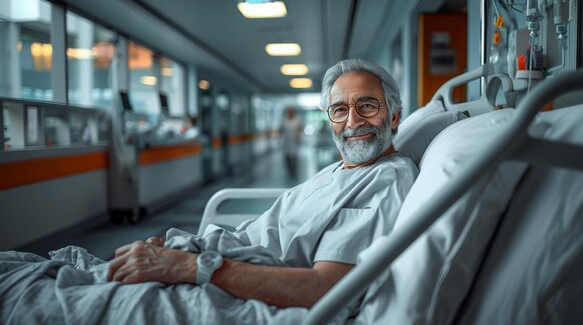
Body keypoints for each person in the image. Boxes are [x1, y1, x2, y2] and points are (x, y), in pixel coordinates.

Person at [0, 59, 418, 319]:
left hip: (223, 281)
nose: (352, 121)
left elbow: (329, 289)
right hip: (215, 258)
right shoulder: (338, 171)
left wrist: (190, 267)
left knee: (44, 297)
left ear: (395, 117)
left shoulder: (383, 179)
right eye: (340, 110)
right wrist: (181, 250)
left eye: (368, 105)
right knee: (34, 273)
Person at [281, 106, 302, 177]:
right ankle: (289, 171)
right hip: (286, 141)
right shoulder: (284, 120)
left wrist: (298, 135)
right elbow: (281, 130)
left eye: (292, 111)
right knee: (287, 157)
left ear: (294, 112)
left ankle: (294, 171)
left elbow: (300, 129)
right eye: (290, 111)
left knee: (294, 157)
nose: (291, 112)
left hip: (294, 141)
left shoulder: (297, 120)